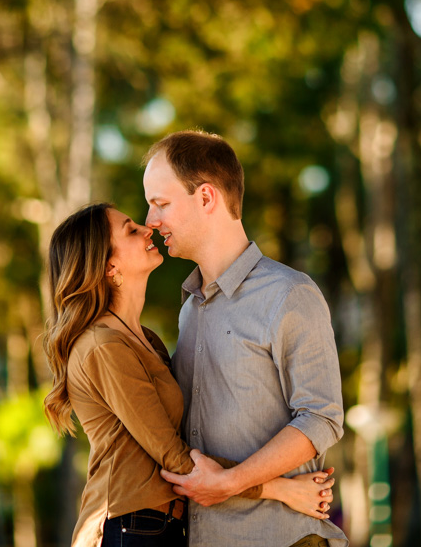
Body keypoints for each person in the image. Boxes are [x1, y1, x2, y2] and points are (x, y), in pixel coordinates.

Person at [43, 203, 336, 547]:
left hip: (161, 526)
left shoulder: (147, 340)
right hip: (127, 527)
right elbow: (174, 456)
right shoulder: (103, 346)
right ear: (109, 266)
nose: (147, 228)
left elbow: (188, 443)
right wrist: (280, 489)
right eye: (131, 230)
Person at [143, 131, 348, 547]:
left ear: (206, 197)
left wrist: (232, 482)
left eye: (160, 204)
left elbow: (321, 416)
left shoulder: (288, 294)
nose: (150, 221)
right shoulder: (190, 309)